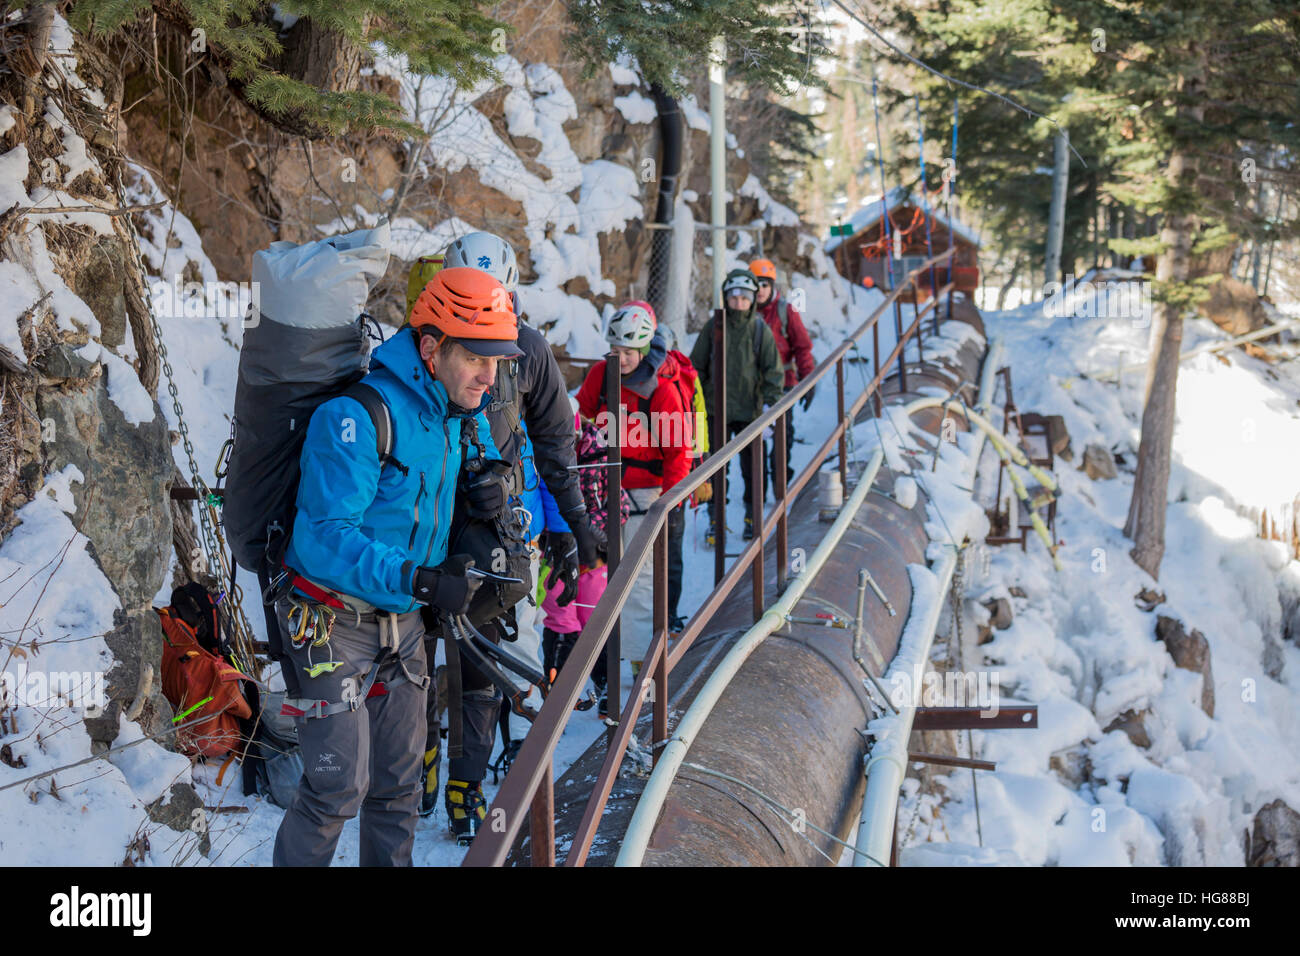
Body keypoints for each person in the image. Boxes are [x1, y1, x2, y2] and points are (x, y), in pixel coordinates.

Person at [271, 266, 522, 867]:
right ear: (432, 349)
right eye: (477, 359)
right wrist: (420, 579)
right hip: (328, 622)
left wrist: (489, 493)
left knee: (399, 790)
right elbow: (324, 538)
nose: (491, 378)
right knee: (337, 788)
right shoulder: (357, 417)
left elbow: (481, 489)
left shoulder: (462, 417)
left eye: (498, 361)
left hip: (406, 626)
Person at [416, 232, 606, 841]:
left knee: (479, 656)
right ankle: (420, 759)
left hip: (490, 525)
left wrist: (573, 521)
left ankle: (465, 782)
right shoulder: (421, 347)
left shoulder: (526, 349)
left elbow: (555, 439)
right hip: (422, 520)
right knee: (412, 651)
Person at [576, 301, 693, 673]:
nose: (620, 359)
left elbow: (678, 451)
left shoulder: (661, 390)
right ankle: (600, 661)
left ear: (643, 349)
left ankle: (643, 664)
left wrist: (670, 502)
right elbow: (581, 416)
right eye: (615, 351)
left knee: (639, 580)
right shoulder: (600, 375)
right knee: (601, 574)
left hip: (645, 493)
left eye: (628, 352)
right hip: (602, 487)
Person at [690, 268, 784, 541]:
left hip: (750, 412)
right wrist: (696, 403)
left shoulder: (759, 330)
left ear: (753, 299)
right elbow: (696, 367)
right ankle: (715, 518)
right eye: (734, 297)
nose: (739, 303)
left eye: (745, 298)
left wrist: (771, 409)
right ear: (726, 297)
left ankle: (752, 516)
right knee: (716, 468)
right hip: (716, 410)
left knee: (752, 468)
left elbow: (773, 372)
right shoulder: (714, 326)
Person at [750, 258, 815, 493]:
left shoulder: (785, 311)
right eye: (756, 285)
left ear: (772, 286)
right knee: (754, 440)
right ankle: (756, 493)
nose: (760, 291)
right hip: (753, 387)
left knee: (782, 435)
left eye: (764, 285)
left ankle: (780, 482)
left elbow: (802, 346)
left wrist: (808, 380)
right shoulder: (743, 312)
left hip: (783, 386)